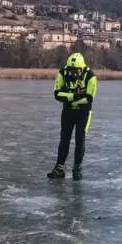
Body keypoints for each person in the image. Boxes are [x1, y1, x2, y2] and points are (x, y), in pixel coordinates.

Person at [47, 52, 97, 181]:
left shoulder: (90, 76)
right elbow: (57, 94)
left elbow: (89, 98)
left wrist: (69, 96)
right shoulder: (62, 73)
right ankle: (59, 167)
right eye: (71, 71)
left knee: (80, 139)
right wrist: (75, 96)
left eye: (76, 71)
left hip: (83, 112)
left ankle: (77, 167)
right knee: (64, 138)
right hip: (68, 111)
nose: (74, 74)